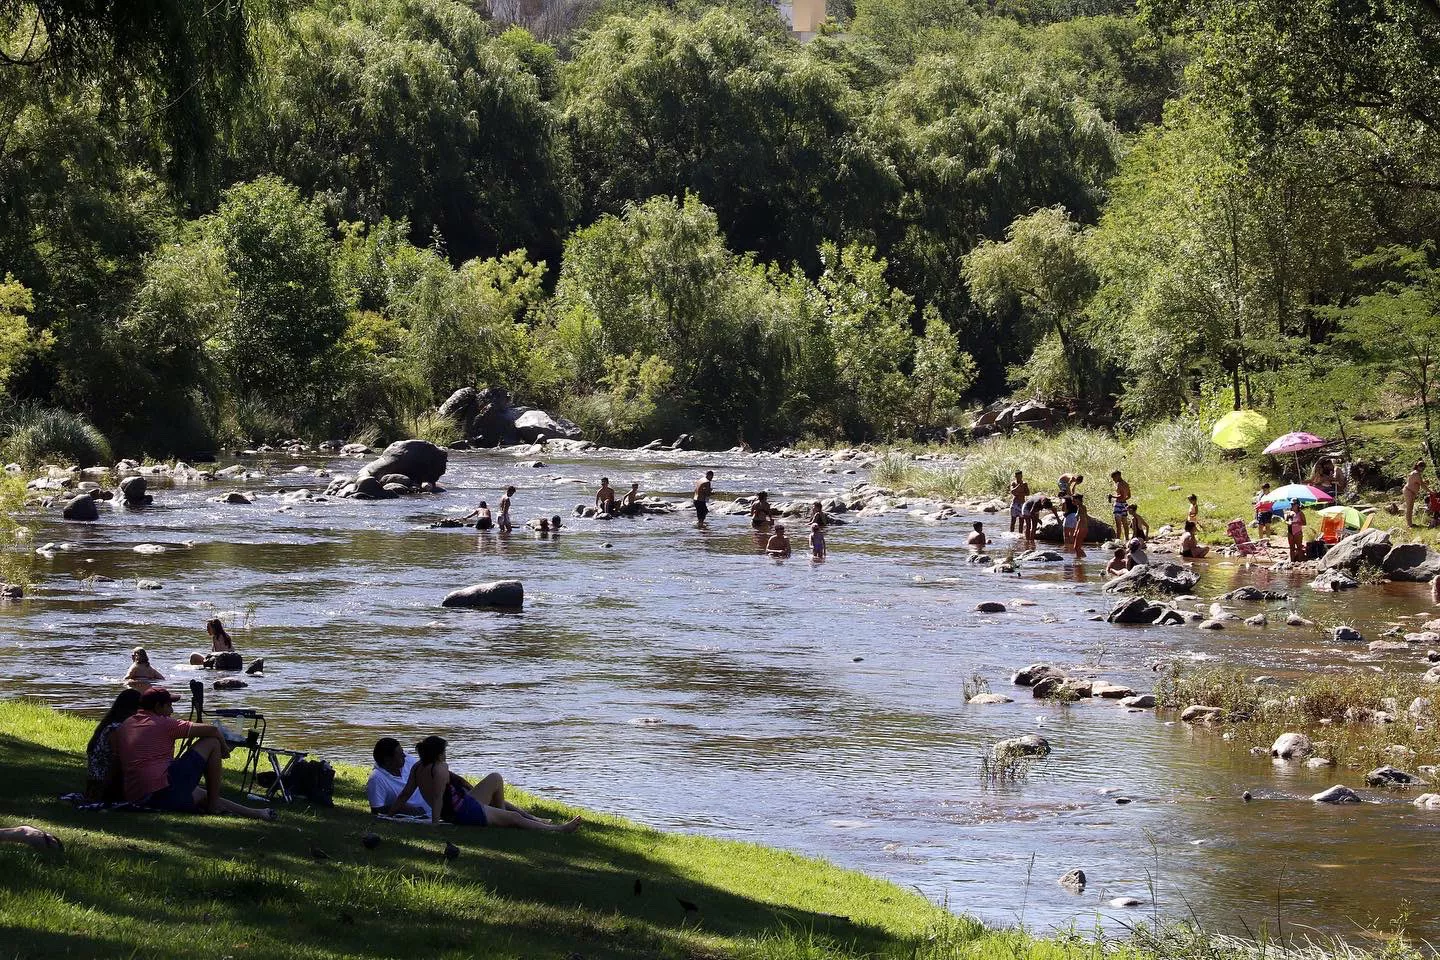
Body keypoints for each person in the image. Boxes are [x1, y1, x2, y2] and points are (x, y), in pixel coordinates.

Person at [115, 686, 275, 820]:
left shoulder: (126, 724)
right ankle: (213, 807)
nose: (171, 710)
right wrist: (225, 750)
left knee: (202, 793)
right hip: (161, 792)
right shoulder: (163, 723)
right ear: (158, 707)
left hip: (139, 797)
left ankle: (257, 813)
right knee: (211, 742)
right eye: (169, 706)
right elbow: (213, 730)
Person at [384, 735, 580, 832]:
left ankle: (534, 819)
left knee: (495, 778)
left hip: (460, 805)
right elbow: (437, 798)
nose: (446, 754)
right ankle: (559, 829)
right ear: (438, 753)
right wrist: (435, 825)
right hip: (463, 811)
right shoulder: (440, 768)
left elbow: (405, 794)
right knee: (513, 817)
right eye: (444, 751)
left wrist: (390, 815)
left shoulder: (417, 768)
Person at [85, 689, 141, 801]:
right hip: (104, 782)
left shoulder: (109, 723)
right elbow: (117, 760)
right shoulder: (116, 728)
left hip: (98, 778)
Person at [366, 737, 431, 818]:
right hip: (421, 814)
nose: (404, 755)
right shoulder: (376, 779)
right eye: (400, 754)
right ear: (388, 760)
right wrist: (404, 810)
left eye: (403, 752)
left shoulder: (408, 761)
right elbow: (376, 810)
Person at [1109, 471, 1132, 541]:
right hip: (1125, 504)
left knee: (1118, 524)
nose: (1113, 479)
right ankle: (1127, 539)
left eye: (1114, 477)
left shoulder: (1119, 484)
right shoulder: (1126, 484)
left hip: (1118, 505)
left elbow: (1121, 495)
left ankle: (1117, 540)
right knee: (1125, 523)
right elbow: (1129, 496)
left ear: (1118, 476)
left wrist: (1112, 496)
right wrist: (1124, 499)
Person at [1405, 461, 1429, 527]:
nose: (1423, 469)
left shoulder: (1417, 473)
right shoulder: (1416, 474)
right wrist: (1430, 491)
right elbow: (1422, 485)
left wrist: (1424, 482)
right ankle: (1409, 525)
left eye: (1424, 468)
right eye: (1422, 467)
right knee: (1409, 508)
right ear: (1418, 466)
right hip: (1409, 491)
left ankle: (1410, 524)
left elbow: (1418, 483)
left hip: (1411, 492)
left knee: (1410, 508)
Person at [1072, 495, 1089, 559]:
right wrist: (1076, 530)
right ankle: (1080, 558)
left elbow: (1083, 519)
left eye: (1074, 500)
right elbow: (1079, 519)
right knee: (1076, 547)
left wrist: (1077, 530)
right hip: (1080, 527)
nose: (1072, 501)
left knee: (1076, 547)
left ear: (1078, 500)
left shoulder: (1082, 507)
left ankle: (1081, 559)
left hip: (1083, 527)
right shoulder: (1079, 507)